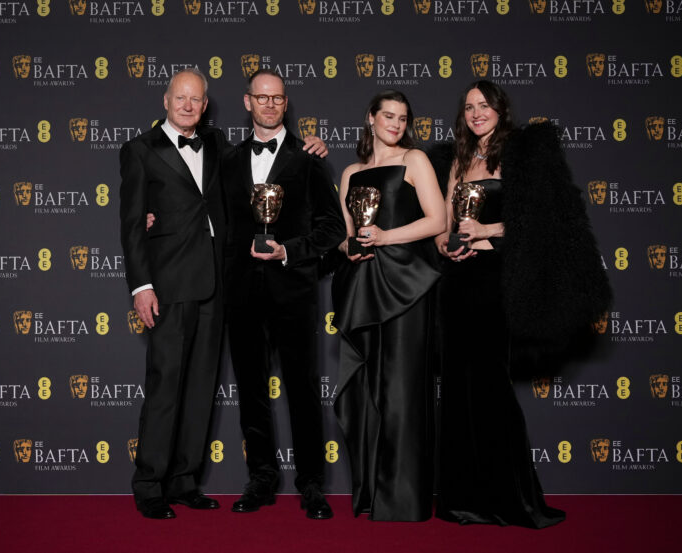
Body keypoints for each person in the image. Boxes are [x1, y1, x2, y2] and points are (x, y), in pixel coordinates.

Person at [434, 80, 609, 528]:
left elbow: (540, 225)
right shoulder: (458, 159)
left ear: (500, 109)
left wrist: (487, 232)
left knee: (491, 386)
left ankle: (512, 501)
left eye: (485, 105)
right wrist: (447, 245)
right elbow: (445, 225)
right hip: (458, 282)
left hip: (496, 280)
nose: (477, 113)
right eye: (470, 107)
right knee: (457, 388)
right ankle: (460, 500)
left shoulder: (521, 154)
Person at [223, 69, 343, 519]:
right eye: (262, 97)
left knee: (302, 389)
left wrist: (290, 252)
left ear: (285, 104)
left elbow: (333, 227)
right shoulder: (228, 161)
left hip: (293, 292)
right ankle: (262, 479)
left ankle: (311, 484)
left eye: (277, 98)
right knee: (251, 391)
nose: (270, 105)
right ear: (247, 102)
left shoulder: (309, 159)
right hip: (242, 295)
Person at [119, 68, 228, 519]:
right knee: (165, 387)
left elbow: (265, 163)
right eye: (180, 97)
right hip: (167, 285)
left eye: (196, 99)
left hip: (215, 284)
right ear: (166, 101)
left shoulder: (219, 144)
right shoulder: (139, 150)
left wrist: (310, 147)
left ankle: (185, 481)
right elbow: (130, 225)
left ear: (205, 106)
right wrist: (141, 286)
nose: (188, 105)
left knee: (201, 388)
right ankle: (149, 484)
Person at [331, 90, 446, 521]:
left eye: (402, 118)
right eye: (388, 116)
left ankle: (403, 499)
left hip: (407, 286)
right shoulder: (351, 173)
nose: (396, 124)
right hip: (363, 286)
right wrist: (352, 247)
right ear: (370, 119)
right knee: (368, 390)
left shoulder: (414, 161)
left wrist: (383, 237)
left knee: (401, 390)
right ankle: (371, 493)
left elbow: (438, 220)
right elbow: (345, 235)